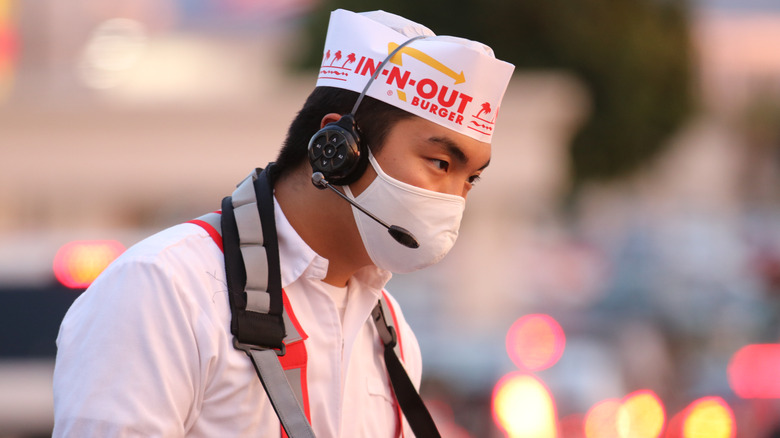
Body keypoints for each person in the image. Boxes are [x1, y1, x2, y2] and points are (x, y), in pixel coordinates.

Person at [52, 8, 514, 438]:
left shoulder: (390, 331)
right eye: (439, 163)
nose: (454, 197)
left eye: (470, 178)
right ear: (338, 146)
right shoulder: (164, 287)